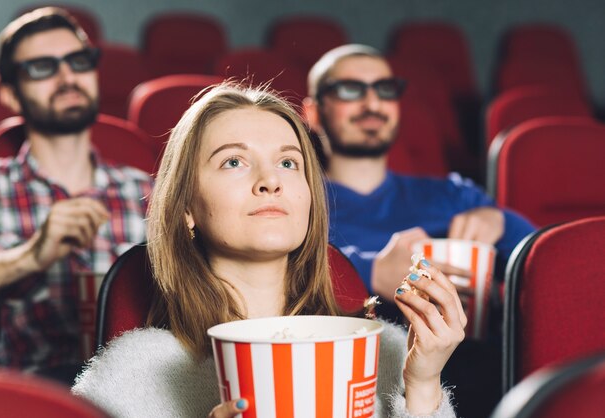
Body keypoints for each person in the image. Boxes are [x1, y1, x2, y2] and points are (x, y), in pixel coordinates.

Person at [72, 82, 465, 418]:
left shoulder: (389, 351)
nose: (270, 181)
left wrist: (424, 383)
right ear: (186, 207)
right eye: (234, 161)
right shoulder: (135, 372)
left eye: (289, 163)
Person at [302, 44, 536, 417]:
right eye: (350, 89)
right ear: (313, 112)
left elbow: (551, 265)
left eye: (385, 89)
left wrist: (499, 221)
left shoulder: (453, 193)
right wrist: (369, 272)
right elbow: (271, 275)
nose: (372, 103)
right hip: (351, 383)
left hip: (483, 375)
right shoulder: (298, 202)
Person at [0, 7, 153, 382]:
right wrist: (29, 256)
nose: (67, 76)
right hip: (26, 393)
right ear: (10, 94)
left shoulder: (148, 190)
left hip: (134, 392)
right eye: (42, 66)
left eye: (78, 61)